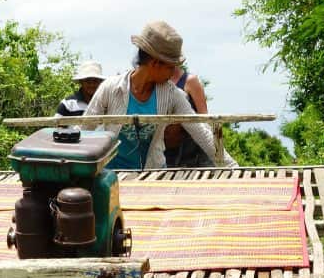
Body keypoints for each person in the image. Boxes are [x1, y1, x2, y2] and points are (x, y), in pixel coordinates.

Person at [83, 20, 237, 170]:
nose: (173, 74)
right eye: (171, 67)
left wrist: (233, 168)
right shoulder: (111, 88)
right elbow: (85, 128)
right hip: (113, 173)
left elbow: (201, 131)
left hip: (152, 172)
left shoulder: (172, 95)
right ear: (155, 64)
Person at [164, 66, 213, 168]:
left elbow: (205, 118)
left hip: (191, 150)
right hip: (165, 151)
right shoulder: (158, 82)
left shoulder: (190, 81)